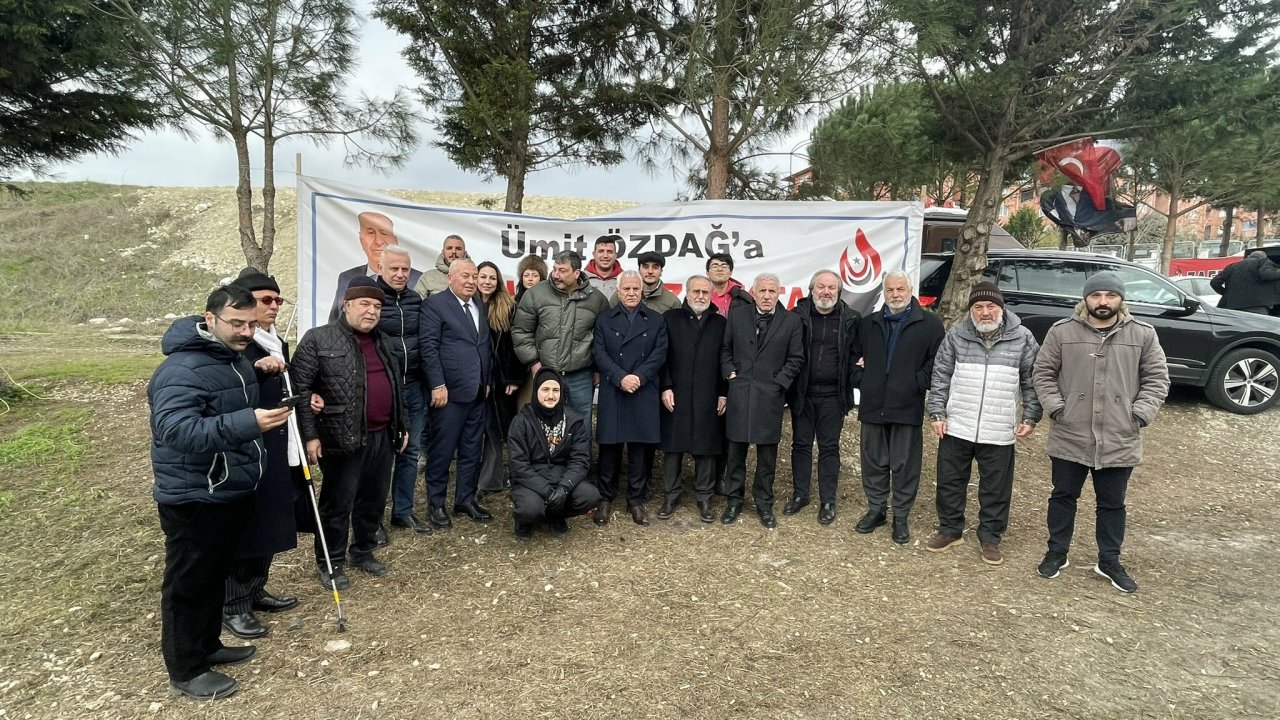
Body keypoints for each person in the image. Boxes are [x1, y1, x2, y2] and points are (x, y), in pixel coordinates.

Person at [149, 284, 290, 700]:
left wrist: (259, 374)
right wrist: (249, 422)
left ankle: (207, 645)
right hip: (194, 496)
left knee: (212, 576)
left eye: (251, 323)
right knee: (189, 582)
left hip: (226, 488)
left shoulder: (231, 360)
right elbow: (175, 431)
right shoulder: (182, 369)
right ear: (209, 319)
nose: (246, 331)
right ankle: (186, 669)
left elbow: (222, 406)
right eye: (236, 323)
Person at [1033, 272, 1169, 593]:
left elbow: (1157, 378)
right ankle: (1057, 551)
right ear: (1086, 299)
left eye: (1110, 295)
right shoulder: (1062, 332)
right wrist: (1057, 407)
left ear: (1121, 299)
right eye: (1096, 296)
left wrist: (1139, 414)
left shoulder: (1143, 334)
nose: (1103, 302)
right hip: (1071, 432)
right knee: (1063, 496)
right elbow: (1043, 372)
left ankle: (1109, 560)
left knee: (1112, 503)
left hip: (1119, 435)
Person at [293, 277, 407, 590]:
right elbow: (300, 390)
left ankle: (363, 551)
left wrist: (402, 425)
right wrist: (310, 436)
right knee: (337, 504)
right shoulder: (319, 339)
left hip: (382, 434)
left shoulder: (384, 341)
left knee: (373, 499)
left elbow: (397, 387)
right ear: (347, 305)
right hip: (340, 437)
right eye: (365, 304)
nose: (372, 311)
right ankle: (331, 563)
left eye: (377, 306)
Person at [221, 269, 310, 641]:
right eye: (265, 300)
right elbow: (227, 395)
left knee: (273, 519)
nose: (273, 306)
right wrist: (257, 374)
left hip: (279, 441)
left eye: (278, 300)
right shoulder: (236, 347)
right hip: (248, 447)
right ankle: (233, 604)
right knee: (248, 525)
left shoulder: (276, 341)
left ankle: (256, 589)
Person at [925, 282, 1042, 566]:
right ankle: (950, 529)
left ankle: (990, 535)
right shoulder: (956, 335)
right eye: (978, 307)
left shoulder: (1022, 338)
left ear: (1001, 309)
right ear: (971, 310)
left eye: (991, 306)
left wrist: (1030, 416)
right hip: (958, 423)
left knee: (996, 487)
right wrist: (937, 413)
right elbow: (940, 376)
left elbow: (1032, 380)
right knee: (951, 481)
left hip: (998, 426)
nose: (985, 312)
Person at [851, 270, 944, 544]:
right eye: (890, 290)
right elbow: (851, 358)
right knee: (874, 463)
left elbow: (936, 364)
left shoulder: (929, 325)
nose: (895, 295)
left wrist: (914, 383)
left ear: (910, 290)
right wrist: (863, 380)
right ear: (884, 292)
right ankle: (876, 509)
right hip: (872, 405)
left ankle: (900, 517)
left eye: (900, 289)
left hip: (907, 406)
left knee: (905, 466)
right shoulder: (868, 324)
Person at [719, 273, 805, 528]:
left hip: (770, 397)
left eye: (772, 291)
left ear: (779, 293)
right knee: (735, 452)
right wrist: (729, 372)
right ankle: (734, 500)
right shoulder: (737, 315)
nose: (767, 296)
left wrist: (779, 383)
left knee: (767, 456)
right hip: (740, 393)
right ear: (753, 292)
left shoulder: (791, 321)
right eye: (763, 291)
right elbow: (725, 348)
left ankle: (763, 503)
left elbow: (796, 358)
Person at [419, 258, 494, 528]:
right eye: (466, 276)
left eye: (475, 276)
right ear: (450, 278)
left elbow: (483, 346)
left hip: (476, 392)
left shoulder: (479, 305)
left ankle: (465, 499)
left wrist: (486, 380)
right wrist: (437, 385)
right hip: (448, 394)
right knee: (442, 450)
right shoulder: (435, 305)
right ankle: (436, 504)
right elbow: (428, 348)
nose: (472, 281)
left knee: (472, 449)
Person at [591, 271, 669, 526]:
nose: (632, 293)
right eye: (627, 289)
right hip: (615, 389)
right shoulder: (604, 320)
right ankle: (605, 498)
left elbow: (660, 353)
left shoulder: (656, 320)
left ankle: (635, 500)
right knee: (609, 448)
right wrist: (620, 377)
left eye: (636, 289)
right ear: (619, 291)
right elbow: (599, 353)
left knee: (639, 449)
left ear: (642, 291)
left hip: (642, 389)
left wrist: (639, 377)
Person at [786, 269, 860, 526]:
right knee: (801, 445)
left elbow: (857, 354)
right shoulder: (797, 316)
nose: (826, 292)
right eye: (821, 287)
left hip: (833, 396)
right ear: (811, 289)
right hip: (803, 393)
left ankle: (828, 500)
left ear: (838, 292)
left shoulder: (851, 319)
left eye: (831, 287)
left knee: (829, 448)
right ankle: (800, 495)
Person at [511, 250, 610, 424]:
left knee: (580, 426)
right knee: (544, 425)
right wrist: (534, 362)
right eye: (555, 269)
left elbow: (604, 338)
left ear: (576, 273)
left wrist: (597, 369)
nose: (556, 275)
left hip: (581, 376)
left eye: (562, 271)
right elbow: (521, 331)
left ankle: (580, 453)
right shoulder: (535, 294)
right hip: (545, 372)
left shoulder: (598, 300)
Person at [659, 275, 727, 523]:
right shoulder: (671, 318)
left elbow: (724, 359)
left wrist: (723, 392)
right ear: (686, 293)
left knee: (706, 447)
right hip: (676, 392)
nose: (700, 296)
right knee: (673, 448)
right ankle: (671, 495)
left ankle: (704, 497)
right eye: (695, 291)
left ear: (712, 295)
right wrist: (665, 387)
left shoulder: (720, 323)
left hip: (708, 393)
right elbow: (662, 357)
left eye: (705, 292)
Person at [374, 246, 431, 536]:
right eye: (394, 268)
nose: (400, 274)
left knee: (410, 452)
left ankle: (403, 511)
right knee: (382, 457)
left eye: (405, 269)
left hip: (414, 386)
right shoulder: (369, 299)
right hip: (382, 390)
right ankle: (373, 520)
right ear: (380, 267)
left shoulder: (414, 300)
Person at [507, 369, 601, 540]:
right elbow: (518, 465)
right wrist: (548, 492)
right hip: (530, 480)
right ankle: (523, 521)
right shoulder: (521, 422)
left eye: (555, 390)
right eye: (545, 390)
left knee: (590, 496)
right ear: (536, 391)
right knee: (530, 508)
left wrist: (564, 488)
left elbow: (580, 460)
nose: (550, 396)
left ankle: (557, 516)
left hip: (561, 476)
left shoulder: (573, 421)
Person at [476, 261, 525, 497]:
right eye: (482, 277)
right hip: (475, 378)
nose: (487, 282)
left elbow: (515, 346)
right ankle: (487, 479)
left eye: (492, 278)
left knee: (504, 428)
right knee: (482, 429)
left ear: (498, 282)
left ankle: (517, 476)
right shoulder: (469, 305)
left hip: (501, 381)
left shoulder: (508, 307)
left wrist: (514, 377)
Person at [329, 212, 421, 322]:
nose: (378, 241)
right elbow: (335, 320)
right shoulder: (346, 277)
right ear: (361, 239)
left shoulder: (419, 278)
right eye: (371, 233)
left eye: (384, 233)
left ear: (395, 241)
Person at [1210, 250, 1280, 314]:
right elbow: (1266, 274)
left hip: (1232, 306)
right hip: (1257, 306)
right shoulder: (1263, 262)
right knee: (1256, 327)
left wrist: (1226, 293)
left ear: (1248, 256)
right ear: (1264, 258)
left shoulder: (1232, 266)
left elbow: (1214, 282)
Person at [614, 251, 681, 313]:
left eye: (655, 267)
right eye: (645, 267)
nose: (650, 271)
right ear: (639, 270)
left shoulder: (673, 302)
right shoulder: (619, 295)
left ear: (661, 272)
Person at [413, 234, 469, 299]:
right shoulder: (428, 277)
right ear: (443, 252)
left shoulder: (474, 277)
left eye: (458, 249)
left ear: (465, 253)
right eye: (449, 248)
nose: (453, 252)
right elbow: (416, 303)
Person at [706, 253, 753, 318]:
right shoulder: (699, 295)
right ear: (707, 273)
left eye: (724, 266)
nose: (719, 269)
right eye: (714, 266)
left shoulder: (742, 297)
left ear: (730, 272)